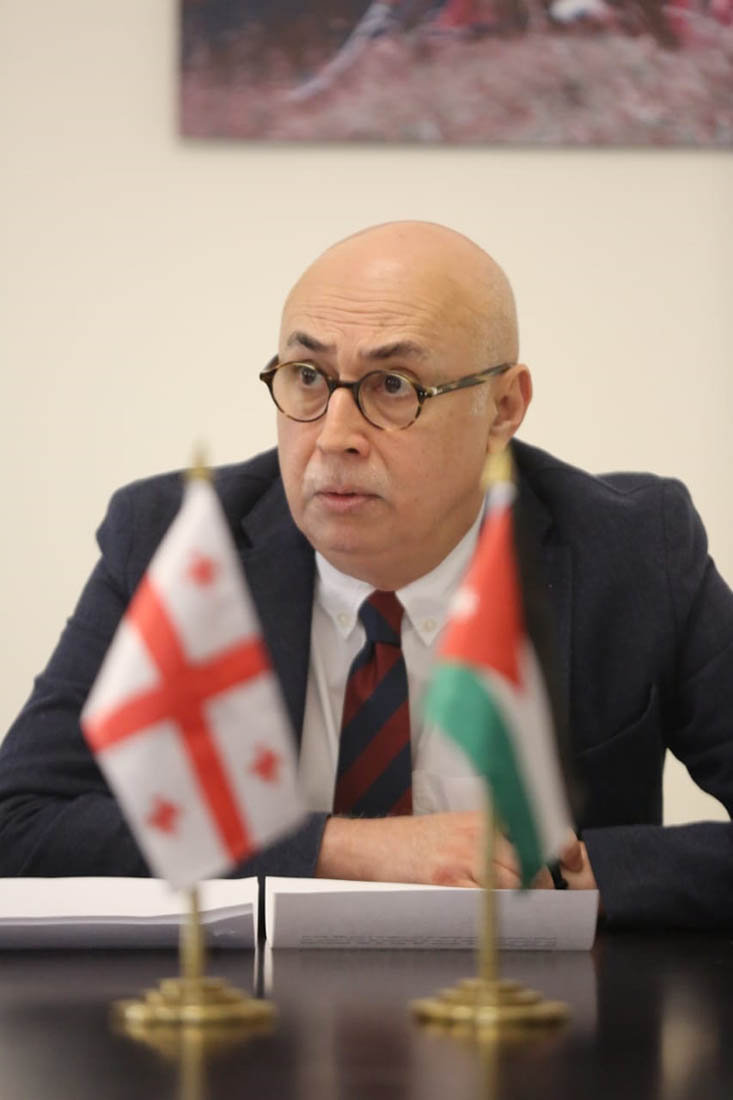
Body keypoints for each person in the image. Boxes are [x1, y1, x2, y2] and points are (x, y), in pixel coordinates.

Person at [0, 221, 731, 928]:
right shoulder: (179, 544)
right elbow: (20, 820)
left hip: (546, 1002)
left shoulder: (631, 552)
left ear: (502, 408)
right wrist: (346, 850)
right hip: (249, 1005)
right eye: (307, 377)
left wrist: (577, 874)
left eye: (393, 385)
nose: (334, 436)